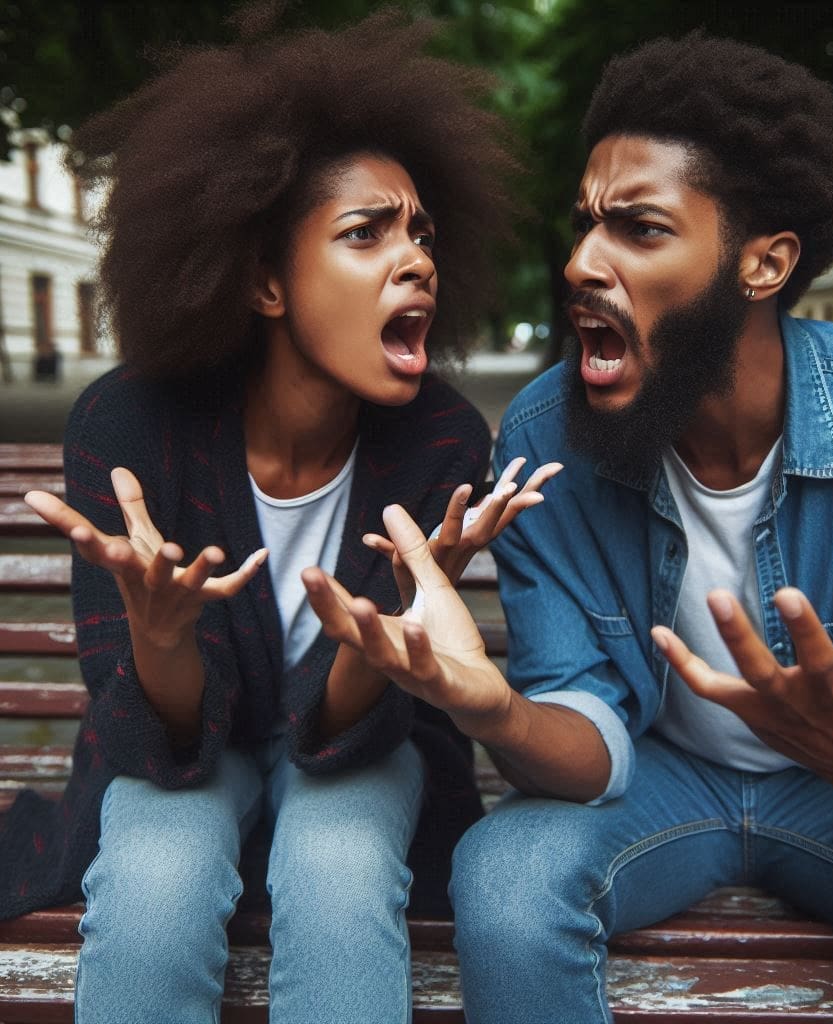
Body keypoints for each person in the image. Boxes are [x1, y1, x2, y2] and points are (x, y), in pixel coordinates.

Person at [318, 30, 833, 1024]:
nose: (579, 263)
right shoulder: (543, 437)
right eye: (583, 226)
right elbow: (590, 732)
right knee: (506, 880)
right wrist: (494, 710)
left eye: (639, 230)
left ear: (764, 261)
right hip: (656, 780)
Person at [0, 8, 558, 1023]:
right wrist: (162, 640)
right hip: (178, 747)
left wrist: (378, 630)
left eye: (423, 232)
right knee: (153, 891)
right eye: (366, 231)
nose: (416, 257)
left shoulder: (437, 439)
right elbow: (156, 739)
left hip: (357, 739)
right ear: (263, 279)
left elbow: (350, 729)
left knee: (339, 872)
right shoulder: (128, 426)